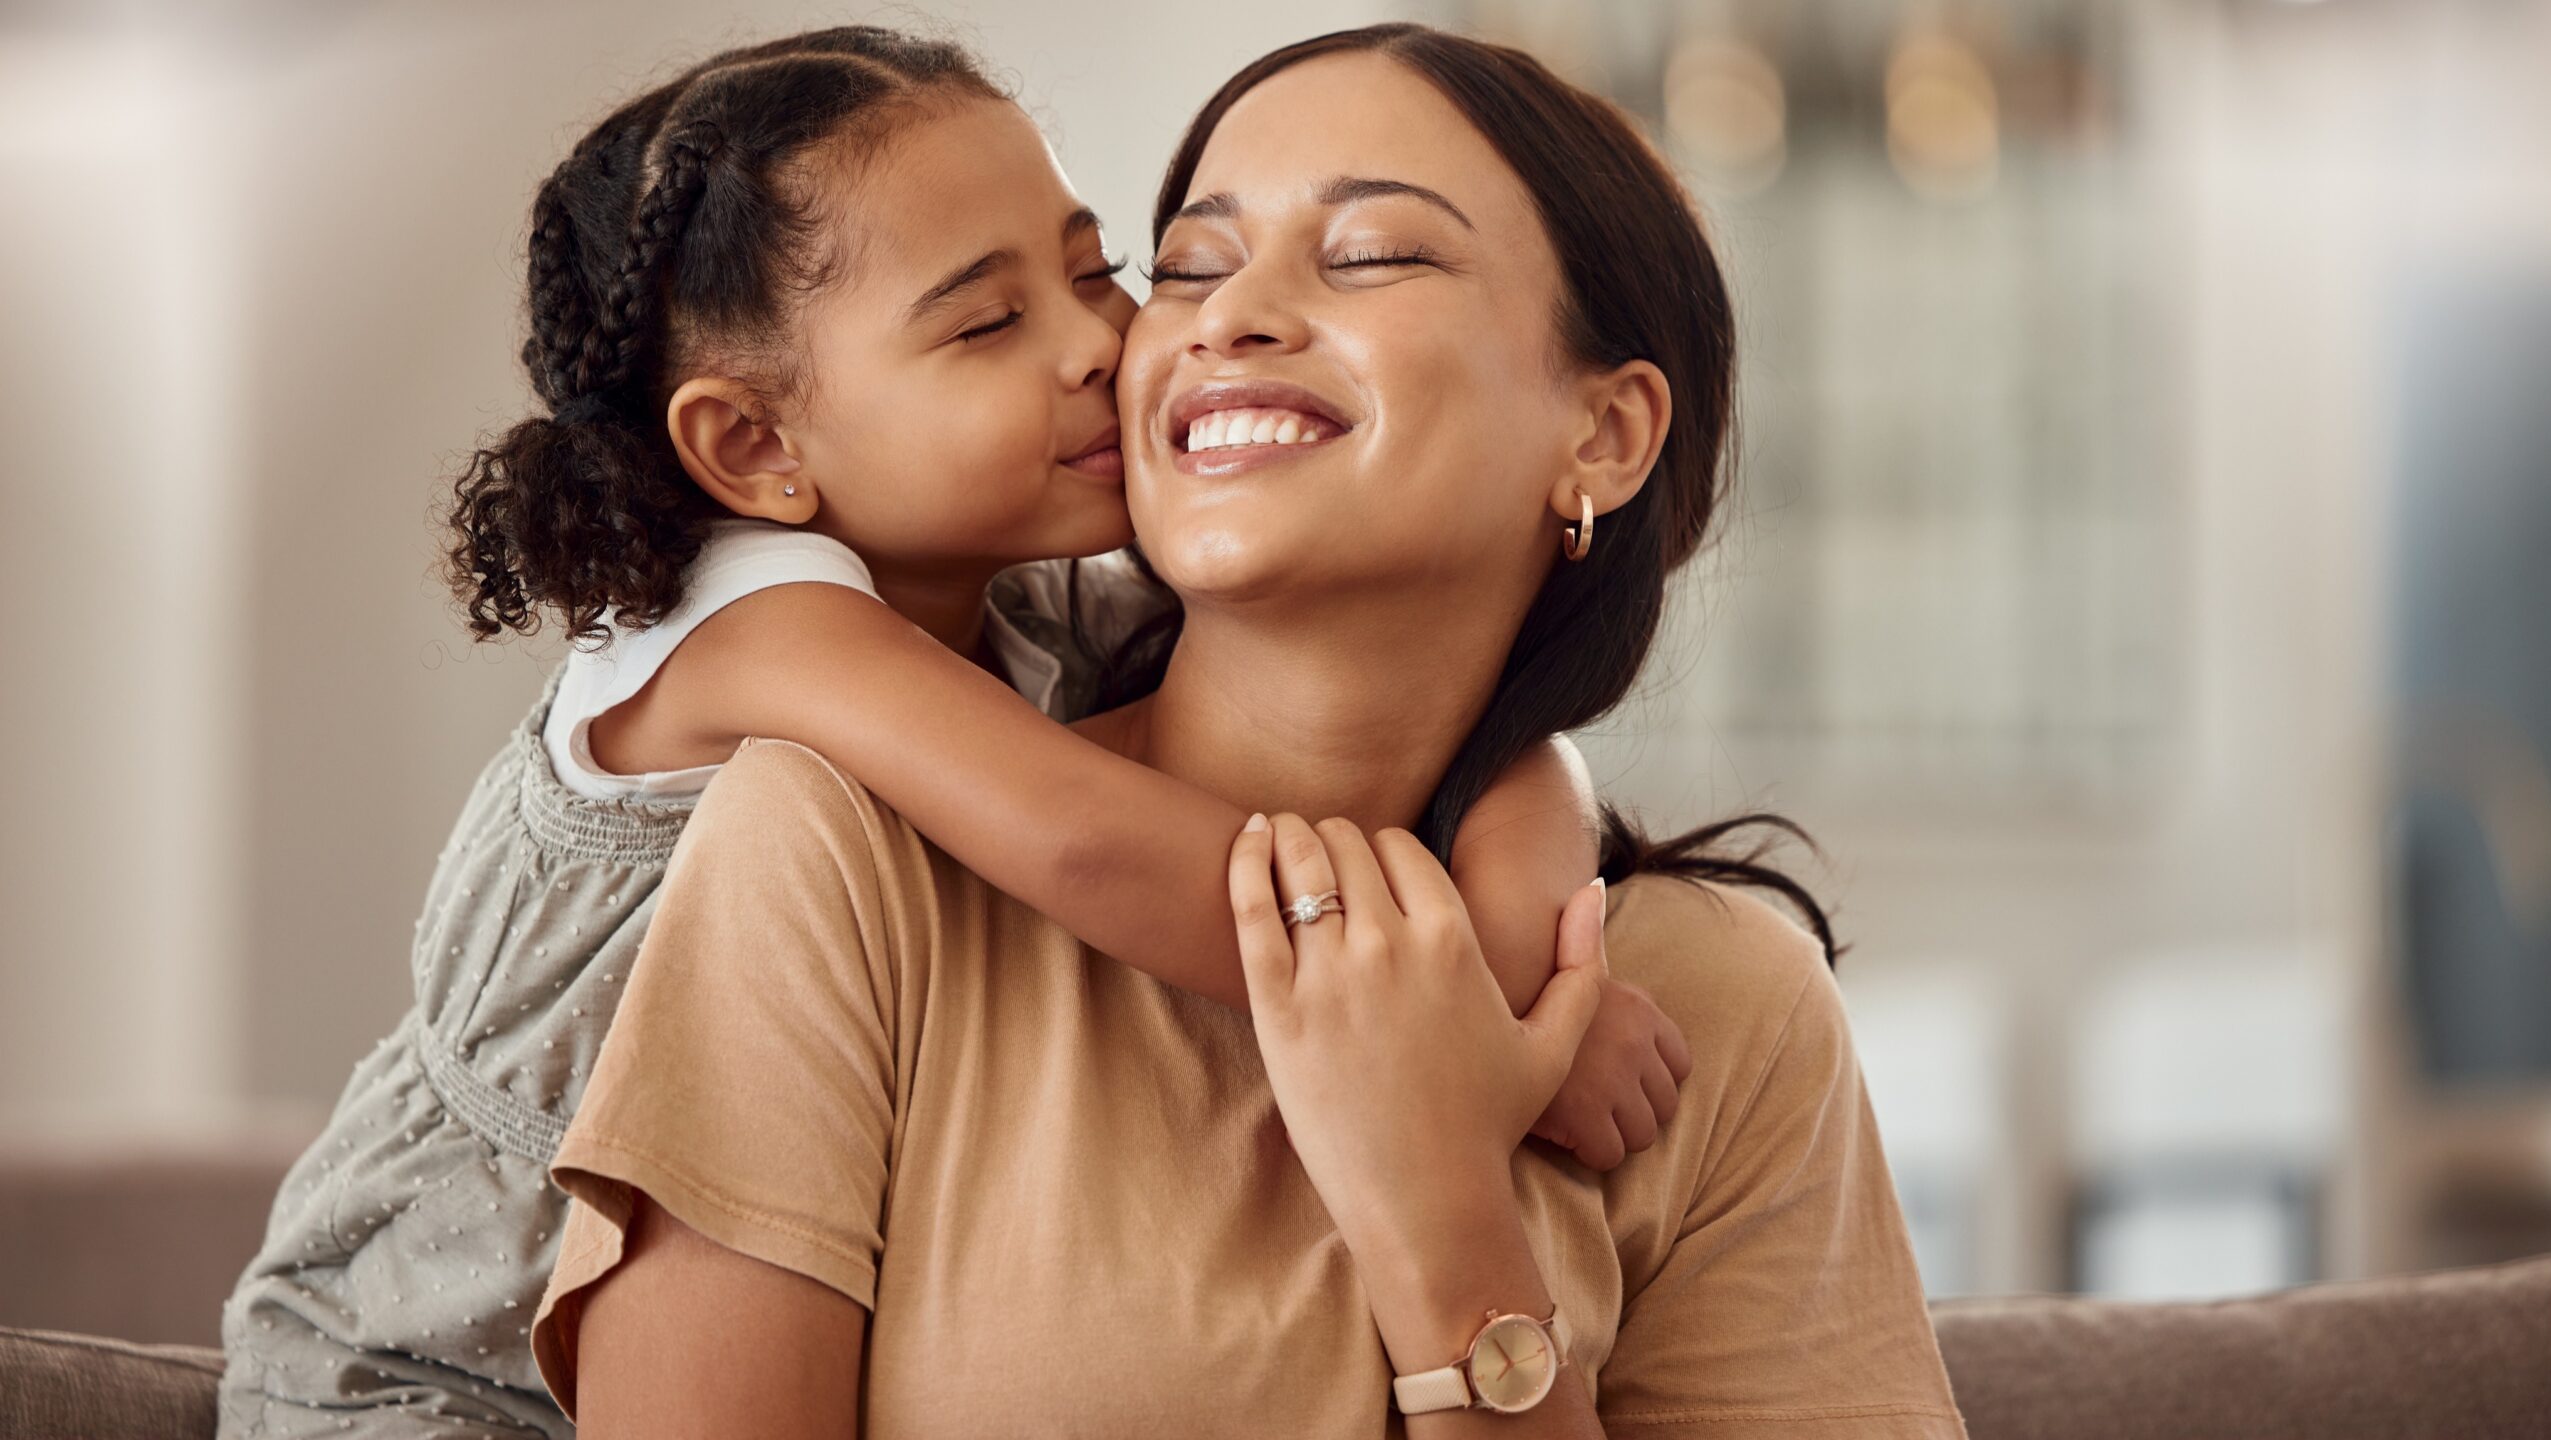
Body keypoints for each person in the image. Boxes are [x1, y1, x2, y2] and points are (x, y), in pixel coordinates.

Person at [217, 26, 1685, 1438]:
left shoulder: (1035, 607)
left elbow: (1478, 733)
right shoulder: (761, 630)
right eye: (987, 323)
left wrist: (1523, 874)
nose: (1099, 346)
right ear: (757, 449)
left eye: (1099, 271)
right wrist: (1472, 1020)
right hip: (418, 1375)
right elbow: (1095, 841)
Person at [532, 23, 1967, 1438]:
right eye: (1194, 265)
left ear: (1603, 434)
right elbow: (1085, 837)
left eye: (1373, 253)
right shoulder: (836, 847)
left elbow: (1515, 759)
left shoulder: (1722, 1010)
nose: (1220, 317)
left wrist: (1445, 1228)